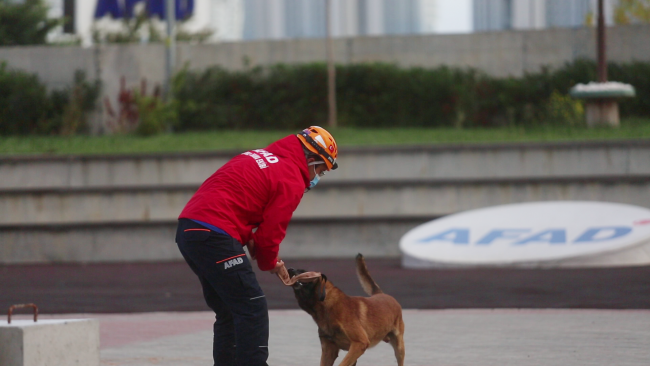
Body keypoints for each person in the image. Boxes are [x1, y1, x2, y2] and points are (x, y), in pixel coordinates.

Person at [175, 126, 338, 366]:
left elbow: (235, 200)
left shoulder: (256, 155)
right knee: (252, 306)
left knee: (230, 311)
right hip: (215, 233)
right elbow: (272, 232)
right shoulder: (291, 176)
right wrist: (270, 262)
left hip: (190, 231)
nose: (317, 178)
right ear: (311, 159)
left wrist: (253, 242)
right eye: (320, 170)